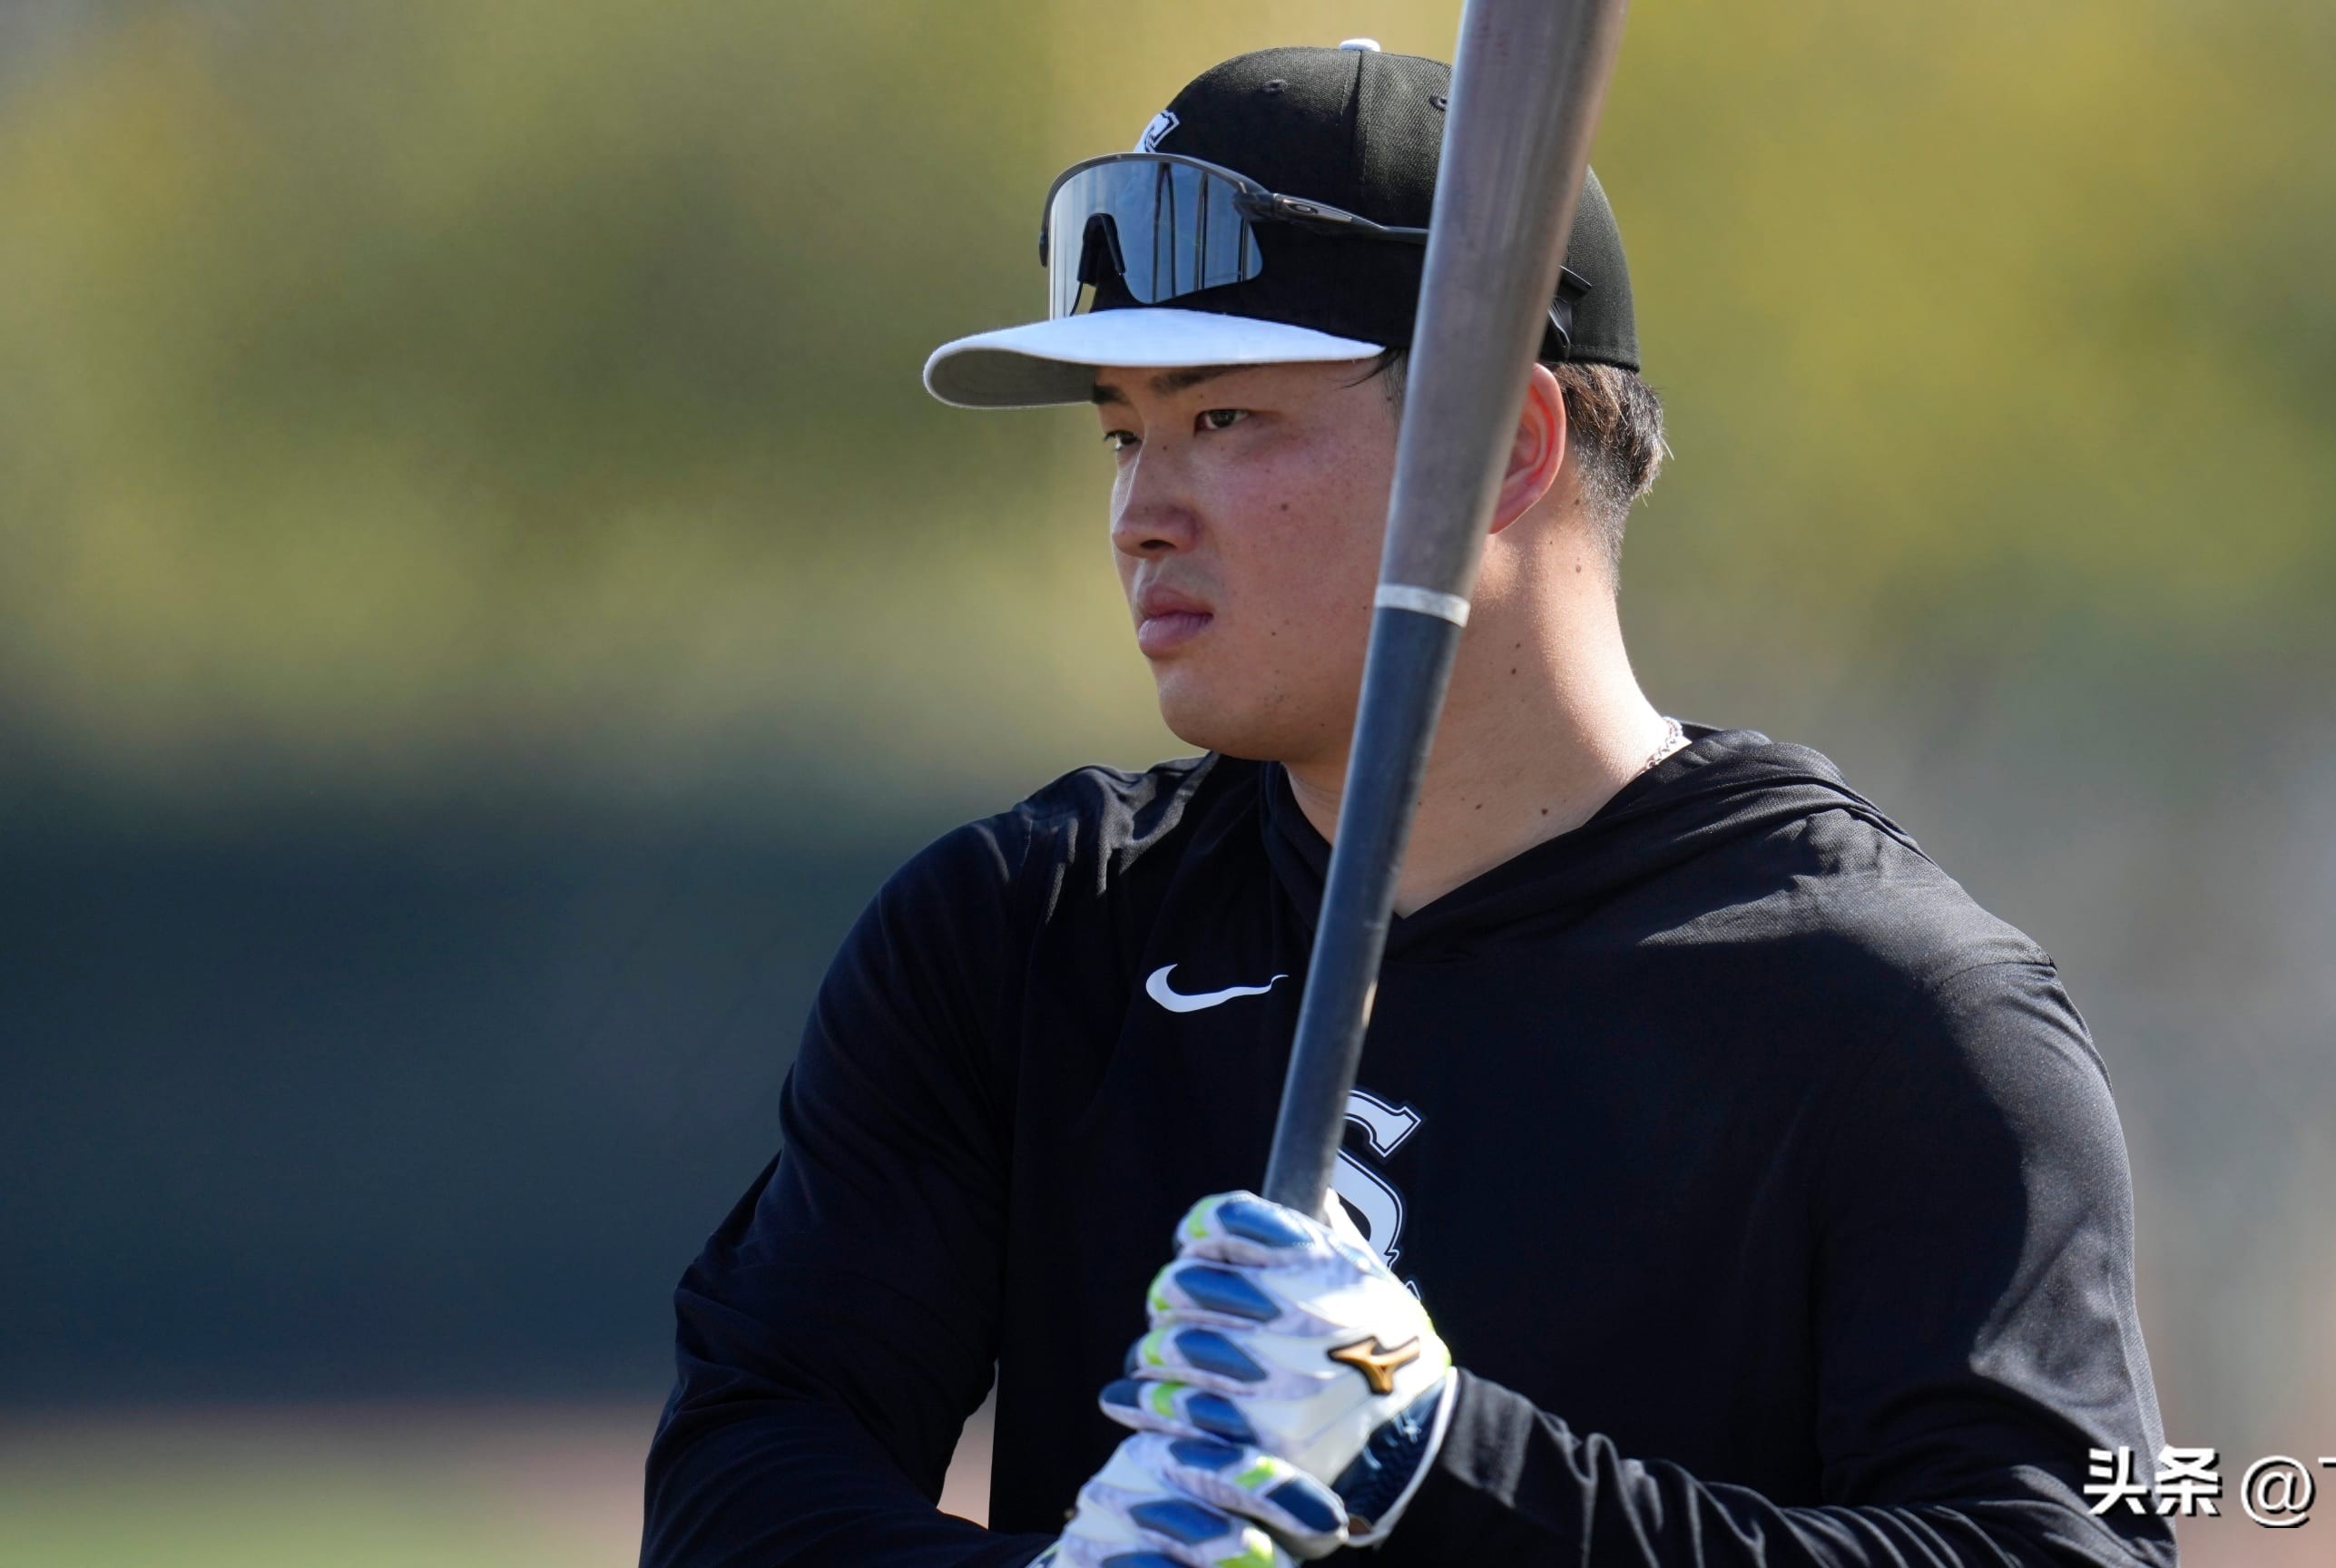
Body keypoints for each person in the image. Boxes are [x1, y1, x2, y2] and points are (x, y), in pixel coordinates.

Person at [643, 40, 2177, 1568]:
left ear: (1502, 450)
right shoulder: (1026, 936)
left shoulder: (1896, 1011)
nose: (1137, 515)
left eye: (1221, 420)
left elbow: (2056, 1551)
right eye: (1122, 431)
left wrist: (1447, 1464)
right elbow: (745, 1476)